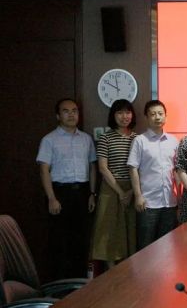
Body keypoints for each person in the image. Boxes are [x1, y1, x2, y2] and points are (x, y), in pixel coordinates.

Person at [37, 99, 97, 278]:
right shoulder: (49, 140)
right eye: (66, 111)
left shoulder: (86, 139)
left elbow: (92, 167)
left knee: (81, 240)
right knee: (60, 242)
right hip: (60, 193)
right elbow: (44, 170)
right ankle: (60, 286)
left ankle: (79, 284)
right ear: (58, 115)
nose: (71, 114)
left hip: (83, 193)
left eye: (74, 111)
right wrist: (51, 198)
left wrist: (92, 193)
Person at [91, 99, 137, 269]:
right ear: (113, 115)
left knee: (130, 229)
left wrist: (131, 191)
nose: (124, 116)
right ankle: (112, 271)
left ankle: (130, 271)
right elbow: (103, 168)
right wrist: (120, 192)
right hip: (111, 188)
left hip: (133, 188)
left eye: (128, 112)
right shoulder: (106, 138)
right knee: (109, 229)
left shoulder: (138, 138)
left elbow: (142, 168)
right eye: (120, 112)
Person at [127, 100, 179, 250]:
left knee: (168, 246)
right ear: (147, 117)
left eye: (160, 114)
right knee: (146, 246)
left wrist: (180, 197)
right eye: (153, 114)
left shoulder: (173, 141)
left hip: (169, 202)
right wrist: (138, 196)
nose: (157, 117)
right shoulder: (140, 141)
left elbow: (177, 171)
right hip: (147, 203)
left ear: (166, 116)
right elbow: (133, 169)